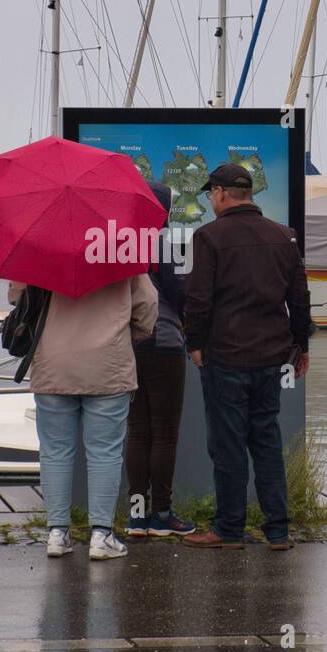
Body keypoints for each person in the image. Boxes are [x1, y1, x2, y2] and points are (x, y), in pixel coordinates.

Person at [182, 163, 312, 551]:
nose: (210, 200)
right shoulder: (283, 237)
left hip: (225, 358)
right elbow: (299, 299)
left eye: (210, 194)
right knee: (266, 442)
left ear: (221, 193)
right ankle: (277, 530)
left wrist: (195, 345)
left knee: (228, 445)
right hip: (269, 358)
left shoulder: (208, 237)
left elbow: (198, 300)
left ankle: (229, 529)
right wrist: (301, 346)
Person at [17, 273, 157, 560]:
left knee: (54, 452)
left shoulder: (42, 246)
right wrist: (131, 335)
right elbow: (148, 304)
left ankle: (57, 533)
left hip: (54, 362)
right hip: (108, 362)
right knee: (104, 452)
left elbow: (18, 298)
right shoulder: (116, 246)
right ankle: (101, 535)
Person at [125, 181, 195, 538]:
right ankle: (163, 515)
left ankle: (137, 517)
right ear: (164, 209)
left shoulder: (119, 240)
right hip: (166, 343)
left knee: (137, 432)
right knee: (165, 434)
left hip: (129, 345)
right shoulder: (168, 242)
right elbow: (180, 292)